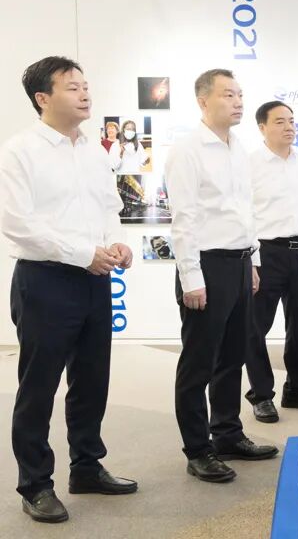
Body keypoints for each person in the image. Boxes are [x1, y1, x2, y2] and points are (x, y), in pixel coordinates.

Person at [0, 56, 137, 524]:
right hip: (45, 280)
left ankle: (87, 467)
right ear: (43, 98)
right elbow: (17, 224)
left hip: (96, 279)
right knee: (39, 386)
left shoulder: (95, 151)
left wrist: (116, 241)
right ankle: (36, 484)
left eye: (85, 85)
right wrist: (83, 253)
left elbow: (109, 207)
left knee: (92, 380)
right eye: (72, 87)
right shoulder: (20, 151)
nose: (85, 93)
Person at [165, 69, 277, 484]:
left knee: (233, 356)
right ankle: (198, 450)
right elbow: (184, 218)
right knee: (199, 362)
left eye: (240, 94)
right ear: (203, 101)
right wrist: (191, 276)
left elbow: (245, 210)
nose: (238, 101)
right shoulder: (188, 150)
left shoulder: (238, 147)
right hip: (206, 265)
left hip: (239, 263)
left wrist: (253, 260)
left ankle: (227, 434)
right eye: (228, 94)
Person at [243, 100, 298, 424]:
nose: (289, 127)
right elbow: (245, 215)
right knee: (256, 327)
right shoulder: (250, 165)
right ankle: (262, 394)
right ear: (262, 127)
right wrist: (252, 260)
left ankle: (297, 388)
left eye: (291, 121)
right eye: (280, 121)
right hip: (266, 252)